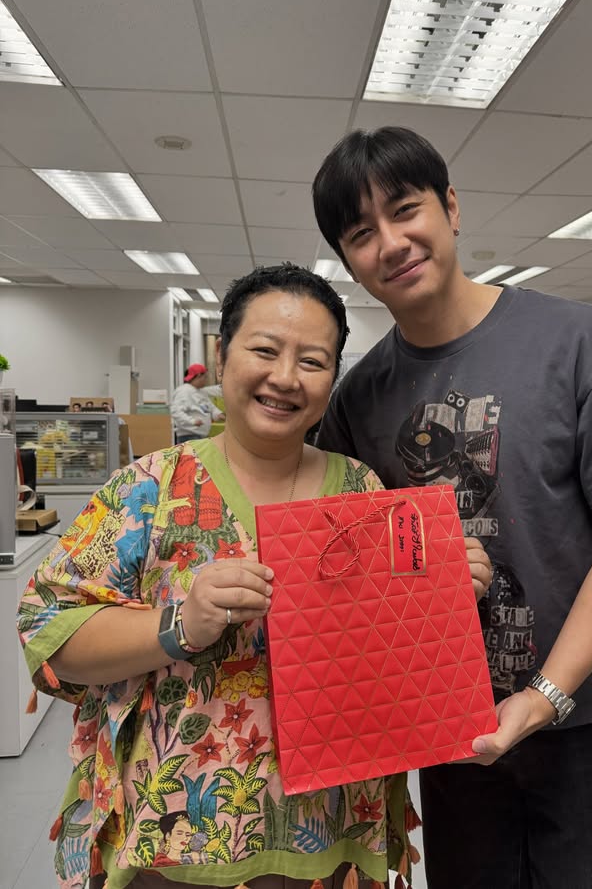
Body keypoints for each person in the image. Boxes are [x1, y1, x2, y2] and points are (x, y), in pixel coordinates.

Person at [311, 126, 592, 889]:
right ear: (348, 261)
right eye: (361, 234)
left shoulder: (579, 343)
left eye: (406, 210)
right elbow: (344, 558)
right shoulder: (360, 398)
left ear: (451, 207)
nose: (391, 243)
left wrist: (545, 695)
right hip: (452, 724)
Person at [17, 263, 489, 889]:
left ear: (332, 379)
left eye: (312, 361)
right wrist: (179, 625)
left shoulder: (360, 490)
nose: (285, 377)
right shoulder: (149, 488)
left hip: (333, 831)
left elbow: (392, 655)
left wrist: (445, 593)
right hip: (178, 837)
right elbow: (49, 632)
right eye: (265, 350)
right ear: (222, 358)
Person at [170, 363, 224, 442]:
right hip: (189, 436)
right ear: (199, 376)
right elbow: (176, 412)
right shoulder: (184, 391)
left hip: (201, 436)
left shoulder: (200, 391)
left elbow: (209, 407)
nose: (206, 380)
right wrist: (192, 421)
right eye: (205, 377)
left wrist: (218, 414)